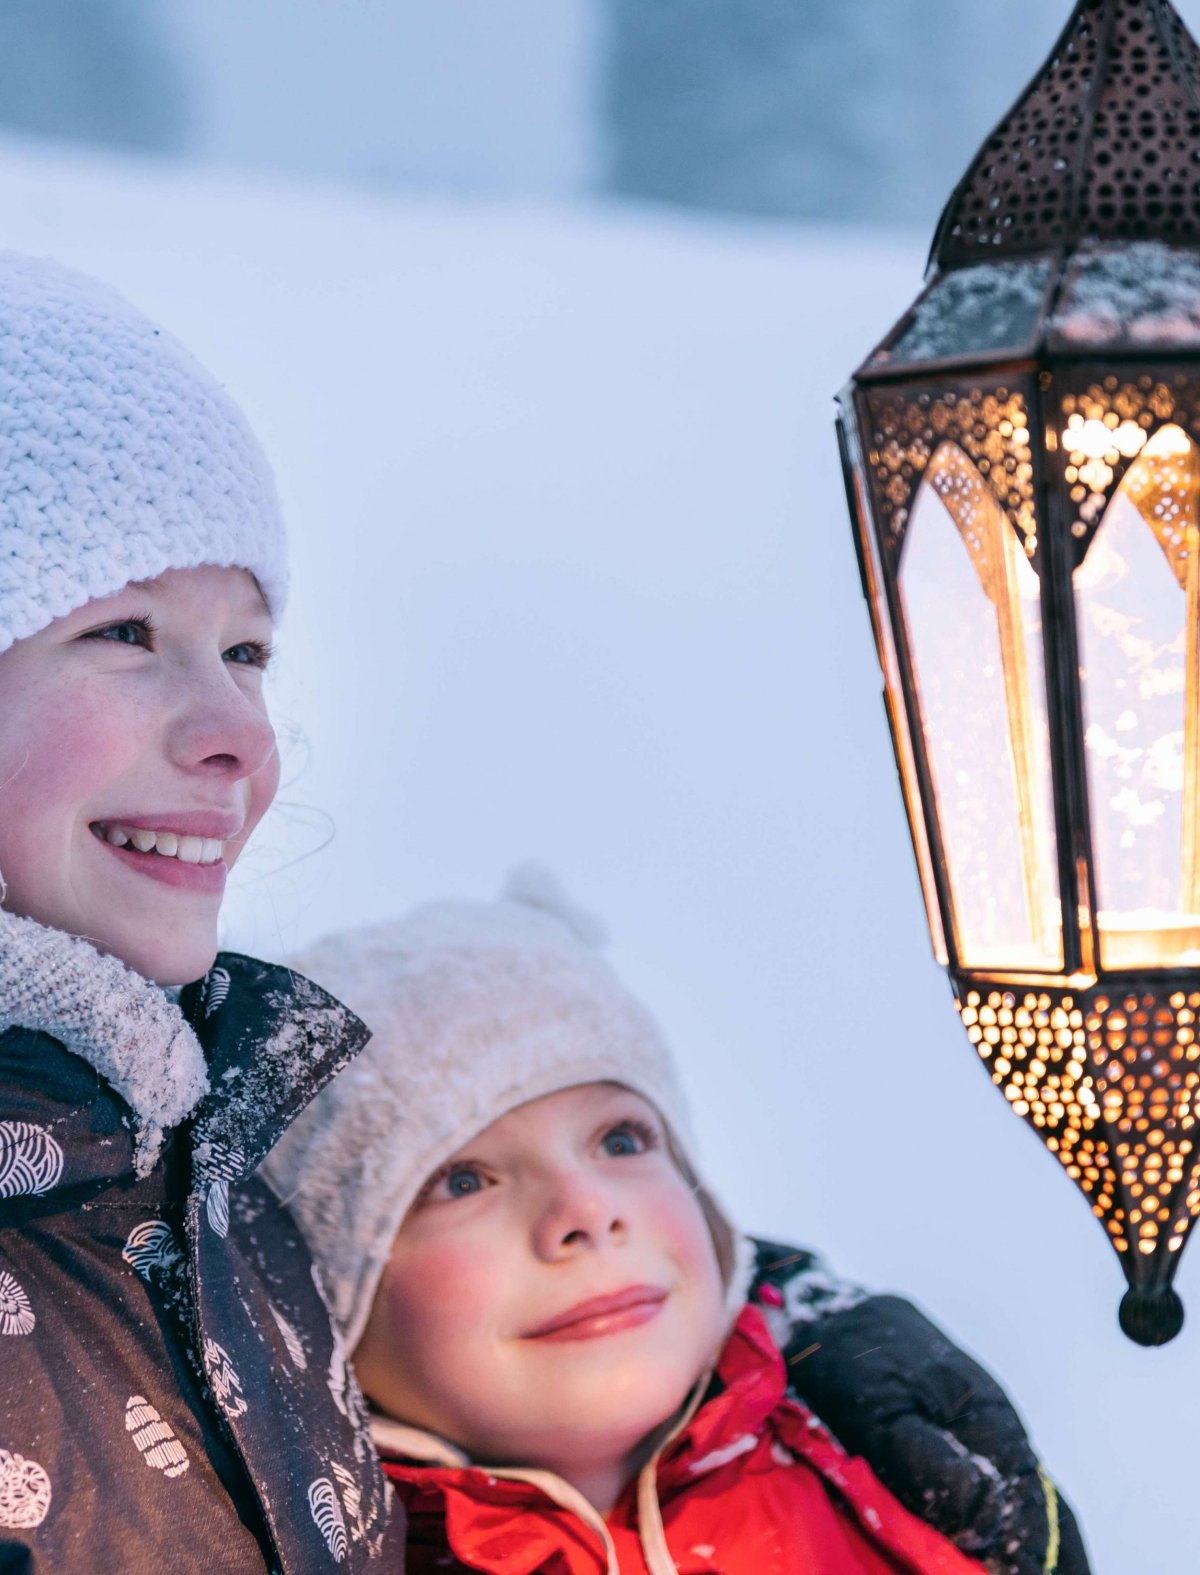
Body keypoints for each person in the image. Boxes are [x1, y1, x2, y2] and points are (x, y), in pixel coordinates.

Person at [262, 869, 1091, 1575]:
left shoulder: (886, 1477)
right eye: (463, 1180)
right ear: (326, 1290)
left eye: (621, 1139)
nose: (587, 1209)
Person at [0, 253, 402, 1571]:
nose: (242, 733)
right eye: (126, 631)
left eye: (246, 650)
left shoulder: (209, 1169)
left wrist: (767, 1364)